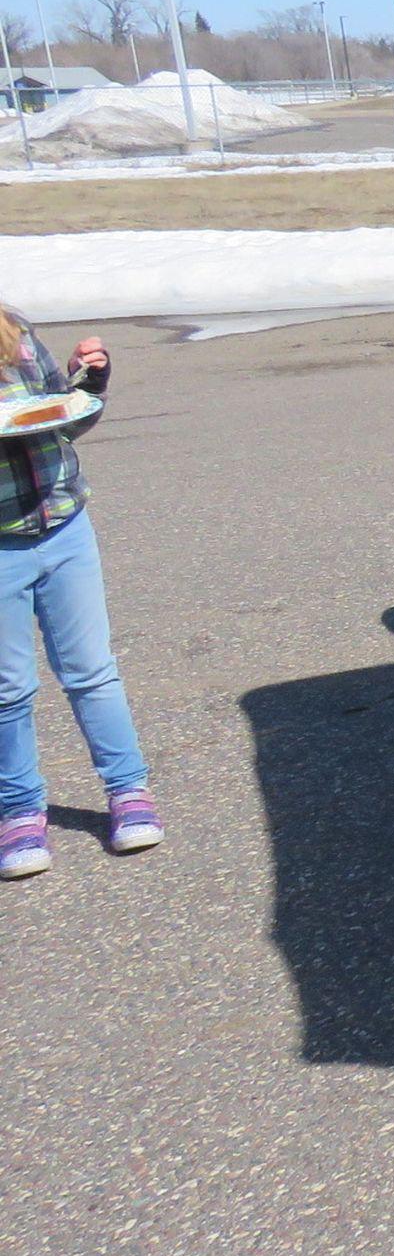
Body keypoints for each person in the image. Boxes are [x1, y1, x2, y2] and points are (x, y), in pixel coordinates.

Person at [0, 307, 156, 879]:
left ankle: (128, 790)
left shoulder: (13, 331)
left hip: (65, 527)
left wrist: (87, 385)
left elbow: (62, 420)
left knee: (92, 670)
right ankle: (18, 812)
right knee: (7, 689)